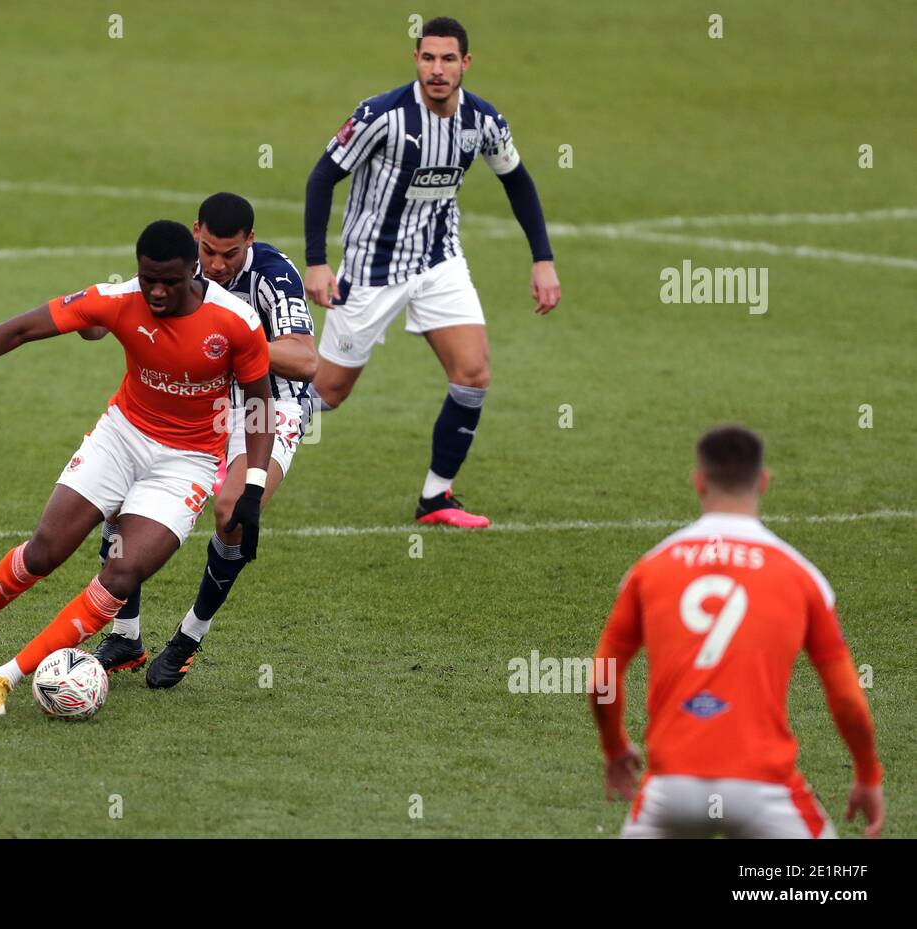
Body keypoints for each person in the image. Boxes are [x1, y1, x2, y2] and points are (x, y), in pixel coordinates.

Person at [0, 220, 274, 715]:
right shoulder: (118, 299)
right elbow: (20, 329)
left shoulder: (235, 321)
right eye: (148, 279)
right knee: (44, 552)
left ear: (193, 271)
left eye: (169, 282)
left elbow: (260, 404)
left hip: (187, 462)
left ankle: (5, 677)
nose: (157, 292)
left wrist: (252, 486)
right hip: (120, 438)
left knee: (122, 574)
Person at [302, 15, 561, 527]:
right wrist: (316, 262)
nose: (437, 69)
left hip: (439, 262)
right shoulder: (381, 115)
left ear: (466, 63)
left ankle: (436, 497)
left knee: (473, 373)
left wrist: (543, 258)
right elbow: (322, 177)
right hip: (372, 268)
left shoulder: (483, 121)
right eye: (428, 58)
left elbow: (517, 181)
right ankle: (229, 429)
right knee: (326, 393)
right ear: (416, 61)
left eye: (448, 59)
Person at [590, 425, 884, 838]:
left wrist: (615, 747)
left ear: (699, 482)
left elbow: (602, 675)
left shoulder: (650, 568)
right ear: (763, 481)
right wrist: (868, 774)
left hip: (671, 788)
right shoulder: (800, 575)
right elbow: (847, 698)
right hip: (764, 788)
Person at [87, 193, 318, 687]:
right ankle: (125, 636)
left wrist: (240, 340)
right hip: (194, 400)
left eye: (230, 254)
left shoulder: (274, 275)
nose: (216, 264)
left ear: (250, 241)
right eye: (208, 250)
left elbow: (305, 360)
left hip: (266, 406)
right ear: (196, 234)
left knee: (232, 511)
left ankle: (190, 635)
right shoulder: (178, 267)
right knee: (118, 499)